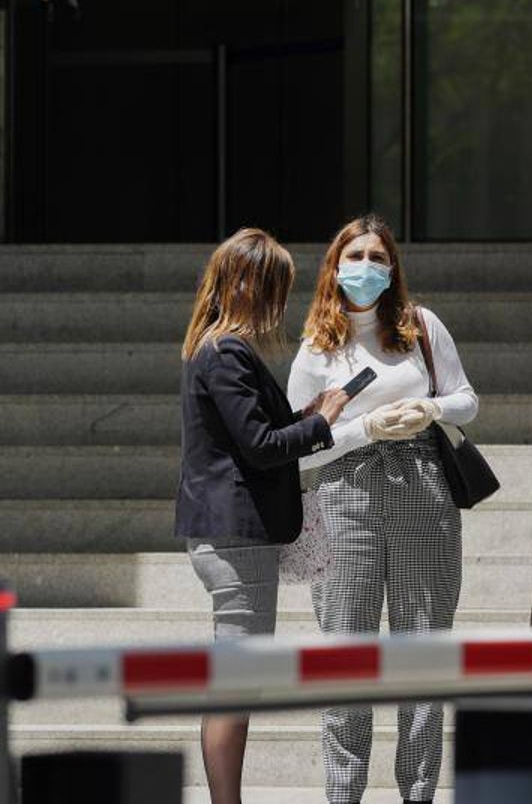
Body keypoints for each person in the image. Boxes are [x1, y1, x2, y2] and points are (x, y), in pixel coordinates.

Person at [288, 214, 478, 804]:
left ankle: (418, 792)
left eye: (376, 256)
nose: (365, 267)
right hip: (345, 496)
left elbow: (467, 400)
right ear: (334, 266)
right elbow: (297, 445)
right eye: (354, 256)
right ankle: (343, 793)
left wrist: (432, 411)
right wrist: (365, 429)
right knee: (346, 652)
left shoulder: (419, 325)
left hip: (423, 489)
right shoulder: (317, 349)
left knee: (423, 650)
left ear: (392, 266)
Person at [175, 228, 350, 804]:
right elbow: (260, 445)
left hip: (231, 531)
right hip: (236, 533)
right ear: (249, 284)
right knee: (235, 680)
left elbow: (253, 432)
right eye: (276, 288)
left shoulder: (216, 347)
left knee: (237, 678)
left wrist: (303, 415)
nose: (278, 304)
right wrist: (320, 422)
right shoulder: (226, 350)